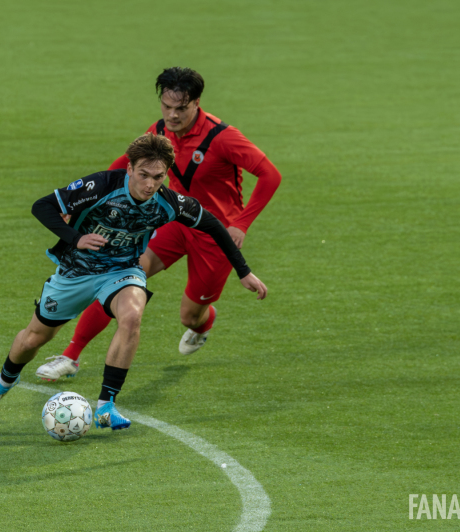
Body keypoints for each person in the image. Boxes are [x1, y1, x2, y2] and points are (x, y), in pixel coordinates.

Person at [0, 133, 267, 431]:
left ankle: (106, 406)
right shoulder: (100, 186)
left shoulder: (168, 202)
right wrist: (77, 238)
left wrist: (243, 271)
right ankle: (3, 382)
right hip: (76, 272)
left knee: (131, 316)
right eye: (143, 175)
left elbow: (213, 225)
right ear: (129, 169)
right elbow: (42, 206)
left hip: (122, 272)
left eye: (158, 177)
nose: (150, 184)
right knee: (34, 338)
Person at [35, 67, 282, 382]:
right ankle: (71, 356)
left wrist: (241, 223)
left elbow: (270, 175)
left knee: (190, 315)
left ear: (197, 103)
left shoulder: (223, 138)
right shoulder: (159, 132)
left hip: (213, 234)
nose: (172, 115)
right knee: (118, 275)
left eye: (181, 108)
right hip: (172, 223)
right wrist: (82, 203)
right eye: (167, 106)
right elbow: (121, 169)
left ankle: (203, 323)